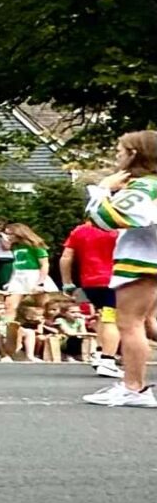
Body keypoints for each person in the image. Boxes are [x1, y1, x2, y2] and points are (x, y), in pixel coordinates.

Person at [84, 129, 157, 409]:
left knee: (130, 324)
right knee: (147, 324)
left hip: (141, 261)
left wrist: (103, 188)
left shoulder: (144, 186)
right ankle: (132, 385)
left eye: (120, 149)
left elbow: (107, 218)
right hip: (149, 260)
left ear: (134, 154)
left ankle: (134, 388)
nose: (117, 154)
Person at [59, 212, 125, 379]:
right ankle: (108, 360)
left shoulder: (80, 230)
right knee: (112, 319)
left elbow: (66, 257)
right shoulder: (120, 231)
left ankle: (100, 351)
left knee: (104, 316)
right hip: (115, 279)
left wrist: (67, 282)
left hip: (90, 282)